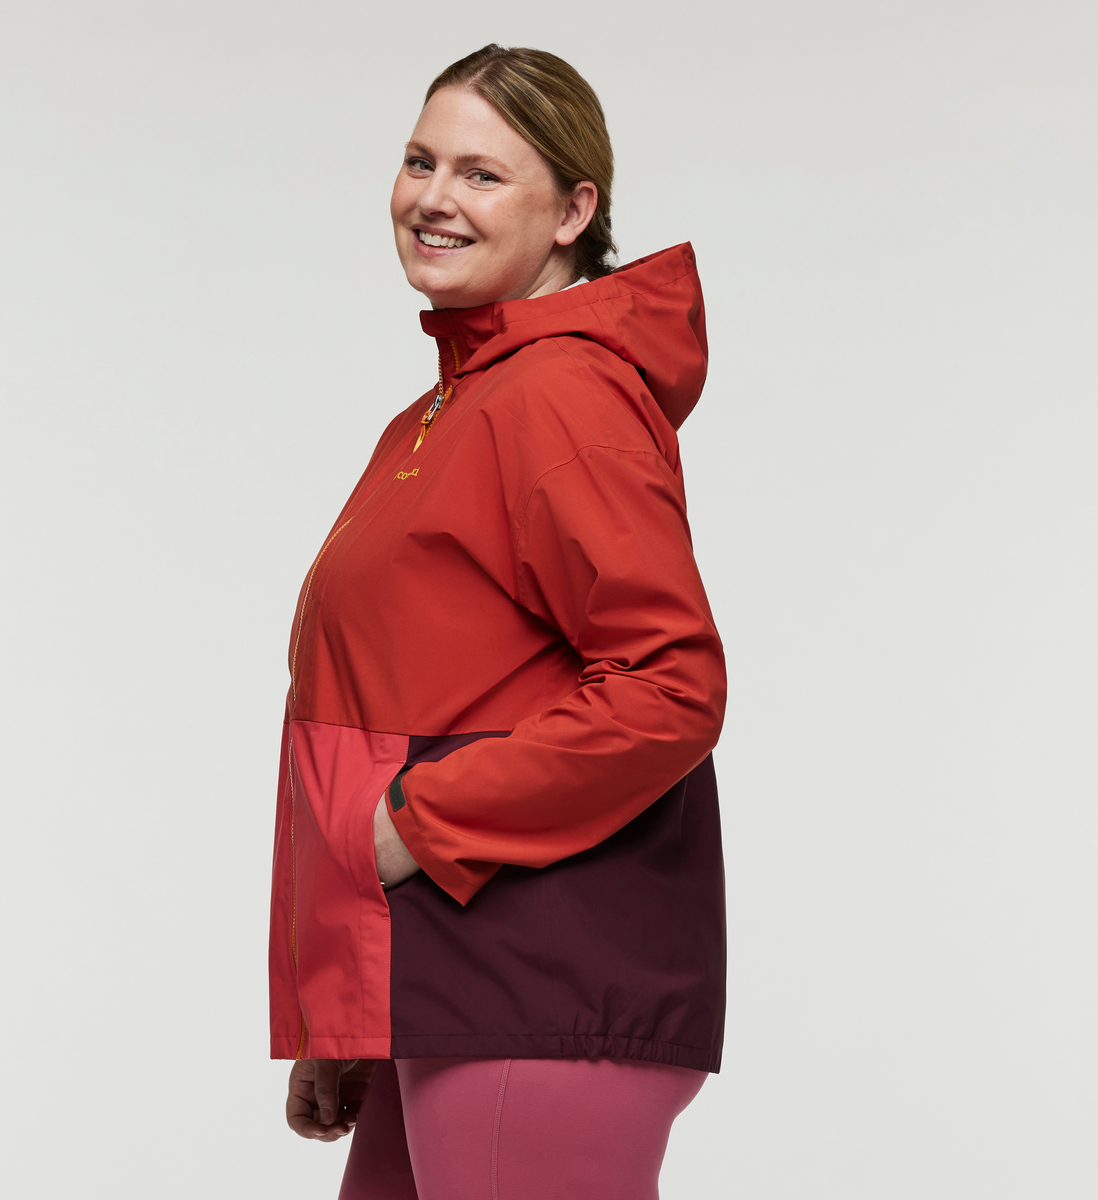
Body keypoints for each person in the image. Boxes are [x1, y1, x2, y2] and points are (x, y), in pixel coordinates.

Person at [273, 44, 728, 1200]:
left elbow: (671, 686)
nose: (434, 197)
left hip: (535, 981)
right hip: (448, 977)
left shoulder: (560, 392)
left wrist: (414, 824)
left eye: (482, 174)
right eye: (420, 161)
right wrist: (352, 1005)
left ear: (574, 211)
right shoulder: (451, 407)